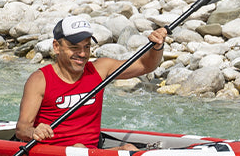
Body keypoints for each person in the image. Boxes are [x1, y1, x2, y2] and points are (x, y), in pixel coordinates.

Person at [14, 14, 168, 149]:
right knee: (80, 148)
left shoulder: (100, 69)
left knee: (127, 148)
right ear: (56, 47)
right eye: (74, 47)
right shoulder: (40, 80)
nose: (82, 54)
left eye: (86, 47)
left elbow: (145, 65)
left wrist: (156, 46)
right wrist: (34, 131)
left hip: (90, 154)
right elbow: (22, 128)